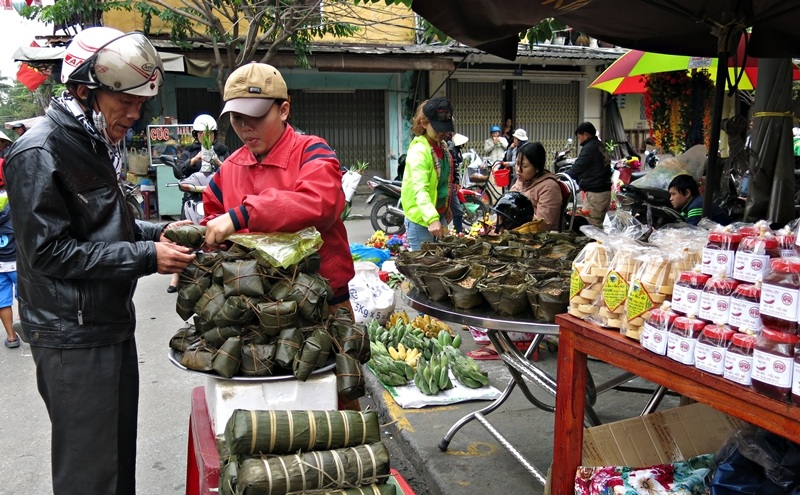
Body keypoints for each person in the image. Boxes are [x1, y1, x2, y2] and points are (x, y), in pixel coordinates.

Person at [3, 27, 195, 495]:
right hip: (71, 334)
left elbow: (110, 228)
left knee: (114, 460)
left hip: (106, 323)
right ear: (85, 91)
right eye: (123, 101)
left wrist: (161, 232)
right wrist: (148, 256)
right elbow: (50, 252)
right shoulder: (39, 151)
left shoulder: (92, 142)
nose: (134, 114)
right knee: (90, 474)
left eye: (139, 103)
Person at [202, 62, 355, 316]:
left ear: (283, 110)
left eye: (256, 116)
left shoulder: (312, 151)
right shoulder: (228, 169)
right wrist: (208, 236)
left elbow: (319, 204)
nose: (245, 127)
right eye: (237, 117)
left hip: (322, 298)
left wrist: (242, 215)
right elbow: (212, 217)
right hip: (253, 306)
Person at [167, 114, 230, 293]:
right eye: (202, 133)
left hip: (216, 198)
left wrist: (217, 161)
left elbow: (233, 170)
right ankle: (176, 275)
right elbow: (179, 171)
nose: (206, 137)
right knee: (182, 233)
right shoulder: (189, 151)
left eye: (209, 134)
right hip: (192, 198)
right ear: (196, 134)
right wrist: (195, 160)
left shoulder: (223, 151)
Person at [399, 97, 454, 250]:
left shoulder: (442, 146)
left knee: (441, 265)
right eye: (438, 127)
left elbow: (441, 183)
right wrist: (432, 219)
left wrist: (445, 206)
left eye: (445, 127)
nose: (443, 132)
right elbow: (420, 190)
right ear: (424, 123)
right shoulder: (419, 151)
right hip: (422, 220)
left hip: (438, 215)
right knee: (423, 269)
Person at [509, 142, 563, 231]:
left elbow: (542, 224)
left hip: (539, 238)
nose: (518, 170)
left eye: (524, 166)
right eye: (517, 164)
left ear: (537, 168)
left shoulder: (549, 187)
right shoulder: (521, 181)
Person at [566, 122, 611, 227]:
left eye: (579, 137)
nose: (579, 140)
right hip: (603, 192)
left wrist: (563, 176)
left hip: (596, 194)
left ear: (586, 135)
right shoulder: (599, 145)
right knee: (597, 225)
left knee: (591, 227)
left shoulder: (590, 147)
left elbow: (578, 167)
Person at [0, 190, 18, 349]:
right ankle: (29, 330)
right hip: (17, 260)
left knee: (2, 301)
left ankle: (12, 337)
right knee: (25, 297)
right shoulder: (13, 200)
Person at [448, 132, 468, 233]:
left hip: (450, 183)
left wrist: (456, 181)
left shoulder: (451, 147)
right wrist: (456, 181)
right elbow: (454, 166)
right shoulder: (450, 147)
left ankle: (457, 232)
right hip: (448, 184)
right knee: (458, 211)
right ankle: (458, 233)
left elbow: (455, 165)